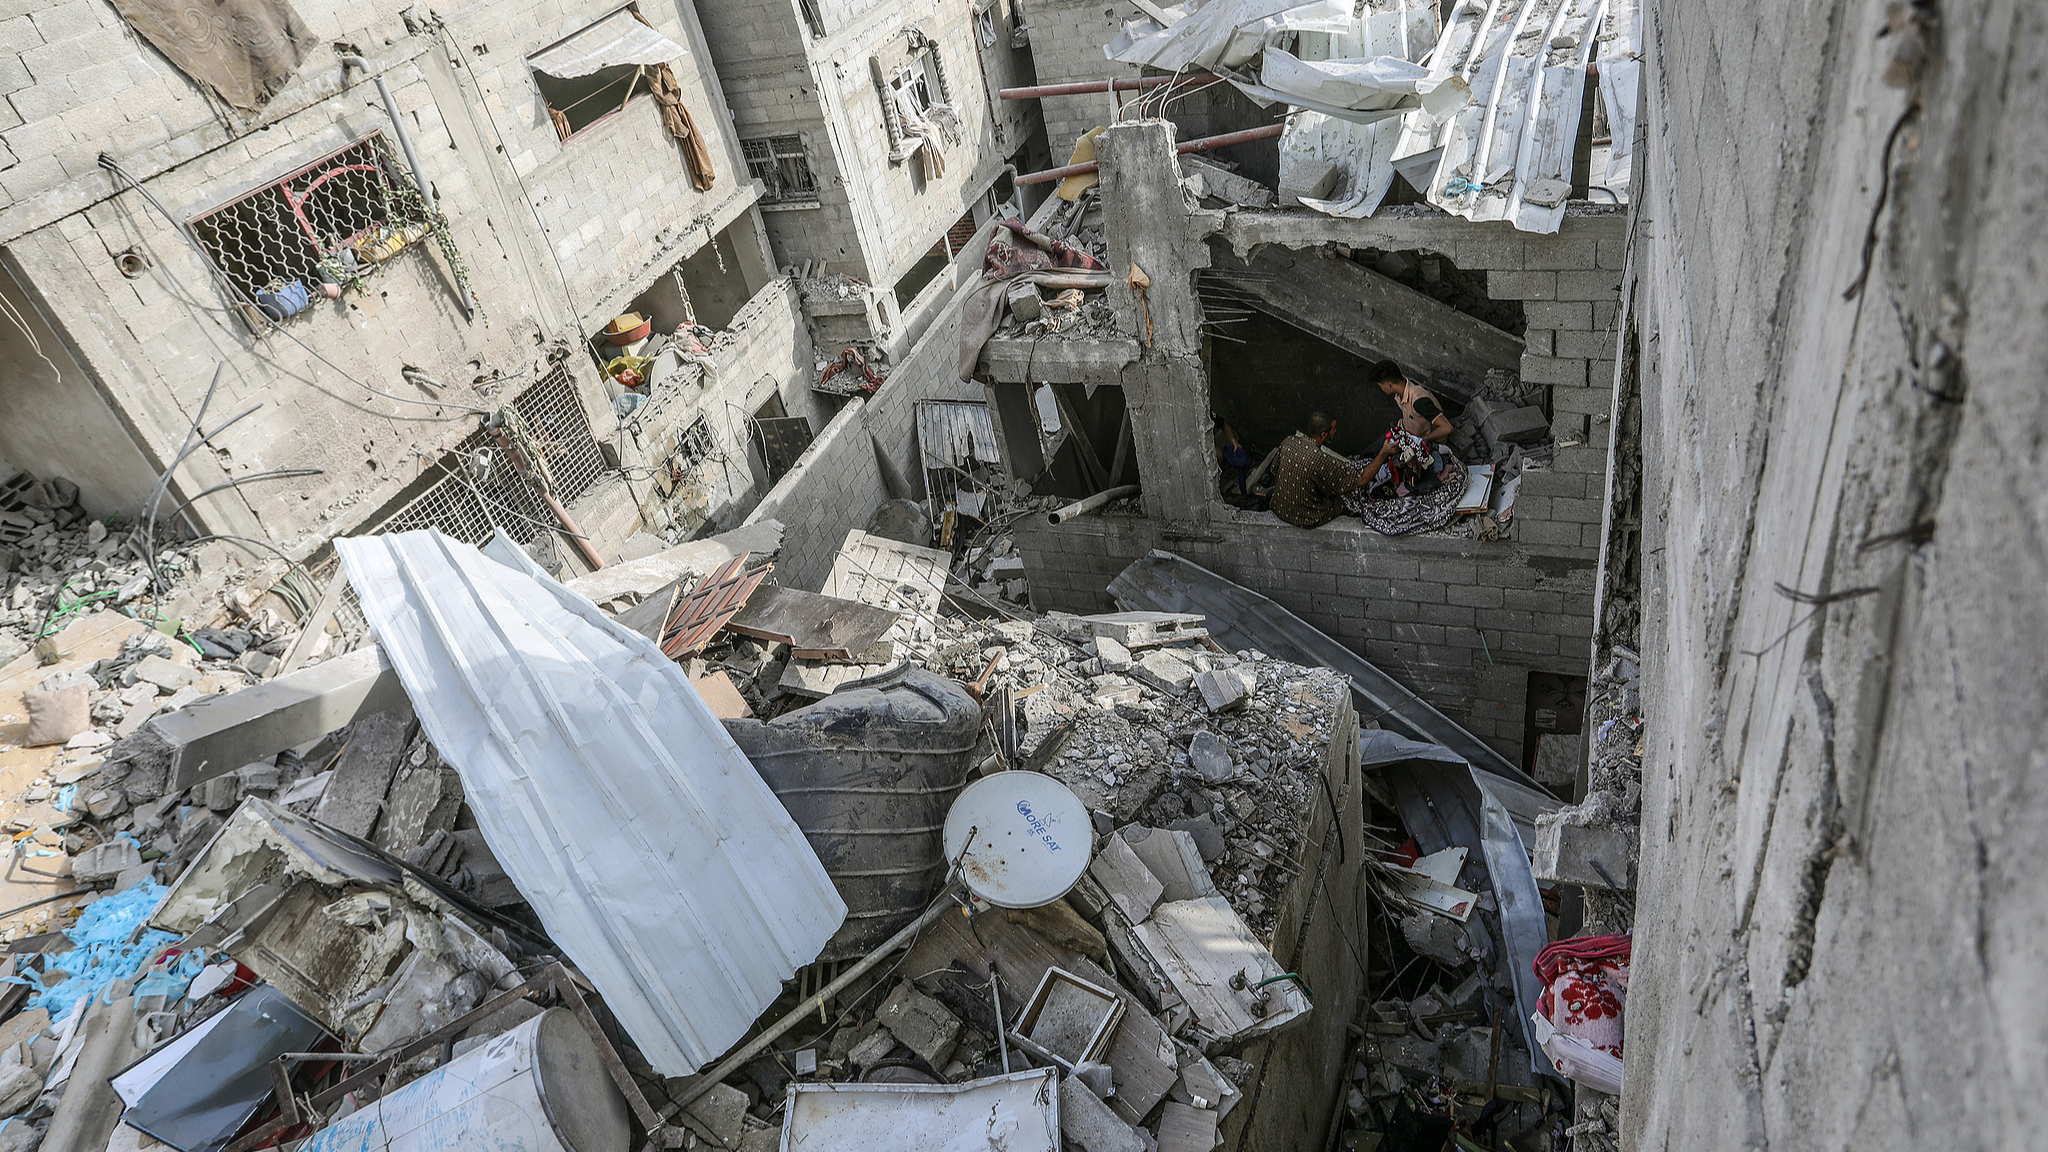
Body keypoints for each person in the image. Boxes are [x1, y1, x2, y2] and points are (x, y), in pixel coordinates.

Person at [1269, 410, 1373, 528]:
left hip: (1279, 508)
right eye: (1334, 428)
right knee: (1345, 500)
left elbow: (1274, 470)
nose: (1336, 431)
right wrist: (1384, 452)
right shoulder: (1320, 459)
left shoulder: (1288, 441)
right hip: (1306, 518)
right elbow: (1361, 480)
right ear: (1324, 434)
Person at [1366, 359, 1455, 443]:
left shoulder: (1418, 400)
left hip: (1425, 443)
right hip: (1407, 431)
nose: (1381, 388)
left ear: (1387, 385)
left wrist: (1419, 440)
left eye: (1380, 386)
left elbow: (1447, 428)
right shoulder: (1400, 392)